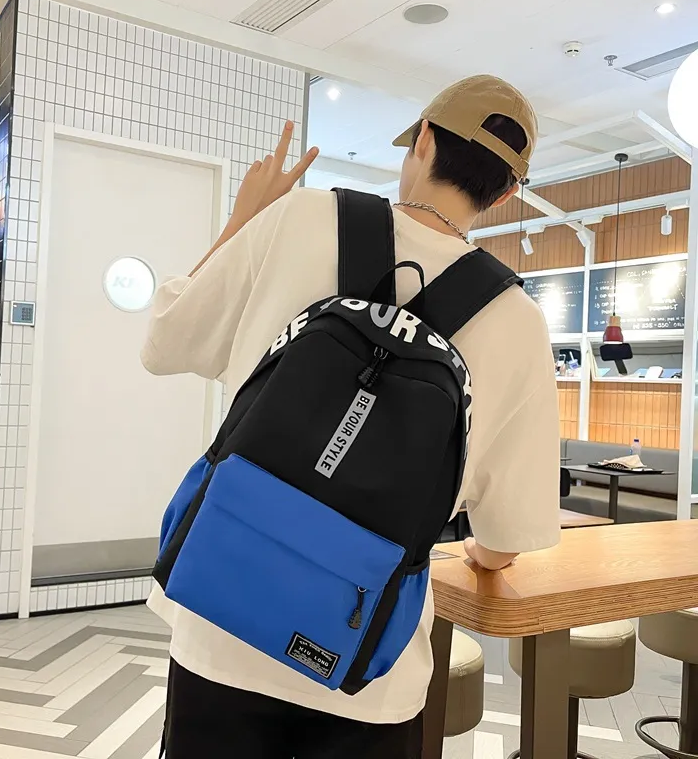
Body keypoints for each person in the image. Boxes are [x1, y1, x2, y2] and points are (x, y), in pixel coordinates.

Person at [142, 75, 561, 758]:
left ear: (424, 141)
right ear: (507, 192)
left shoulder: (299, 218)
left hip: (220, 617)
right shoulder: (517, 319)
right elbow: (506, 537)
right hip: (365, 658)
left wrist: (245, 219)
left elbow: (165, 342)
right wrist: (480, 554)